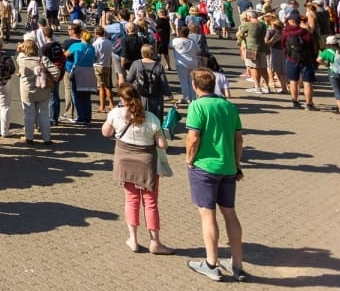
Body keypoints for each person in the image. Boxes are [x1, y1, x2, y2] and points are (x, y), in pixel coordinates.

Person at [185, 69, 246, 283]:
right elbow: (239, 139)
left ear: (195, 86)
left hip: (205, 166)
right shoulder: (228, 106)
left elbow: (193, 137)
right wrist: (237, 164)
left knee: (207, 214)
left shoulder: (197, 106)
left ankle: (212, 263)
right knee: (230, 213)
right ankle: (237, 263)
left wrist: (189, 159)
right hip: (228, 166)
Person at [102, 85, 173, 255]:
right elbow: (162, 144)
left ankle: (133, 239)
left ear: (122, 99)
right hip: (147, 164)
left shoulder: (115, 114)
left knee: (131, 200)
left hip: (124, 161)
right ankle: (155, 242)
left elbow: (106, 133)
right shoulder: (150, 118)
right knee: (150, 202)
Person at [16, 39, 55, 145]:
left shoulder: (21, 59)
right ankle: (47, 138)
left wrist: (20, 49)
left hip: (27, 90)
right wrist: (51, 79)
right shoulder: (43, 59)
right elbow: (56, 71)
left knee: (28, 114)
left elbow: (19, 54)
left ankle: (29, 137)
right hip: (42, 89)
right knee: (44, 113)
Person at [281, 11, 318, 110]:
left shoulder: (285, 32)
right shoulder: (305, 32)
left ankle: (295, 101)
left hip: (291, 59)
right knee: (307, 82)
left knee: (293, 81)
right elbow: (312, 45)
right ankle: (309, 104)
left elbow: (283, 45)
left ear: (291, 21)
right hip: (306, 59)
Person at [126, 44, 170, 120]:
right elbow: (163, 82)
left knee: (140, 115)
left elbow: (129, 79)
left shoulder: (136, 64)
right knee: (155, 118)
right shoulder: (158, 66)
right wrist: (169, 95)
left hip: (140, 95)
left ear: (142, 53)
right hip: (156, 96)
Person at [317, 36, 340, 115]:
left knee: (338, 91)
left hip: (334, 73)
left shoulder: (327, 51)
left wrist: (326, 65)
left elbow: (318, 60)